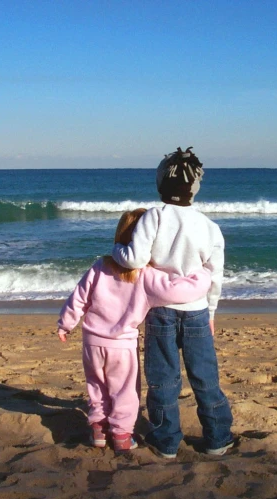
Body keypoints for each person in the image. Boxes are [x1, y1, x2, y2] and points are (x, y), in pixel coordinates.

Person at [111, 147, 235, 458]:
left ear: (160, 183)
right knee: (205, 377)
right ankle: (218, 439)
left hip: (160, 311)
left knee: (163, 379)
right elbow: (215, 275)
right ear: (195, 187)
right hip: (196, 311)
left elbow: (135, 259)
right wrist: (212, 311)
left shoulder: (154, 216)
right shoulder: (208, 226)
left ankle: (166, 442)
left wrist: (116, 251)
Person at [57, 208, 211, 453]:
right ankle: (121, 435)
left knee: (97, 385)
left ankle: (98, 430)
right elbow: (180, 291)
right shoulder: (146, 276)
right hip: (122, 344)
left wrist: (65, 323)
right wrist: (204, 276)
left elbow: (79, 298)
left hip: (92, 342)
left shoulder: (100, 266)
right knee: (125, 391)